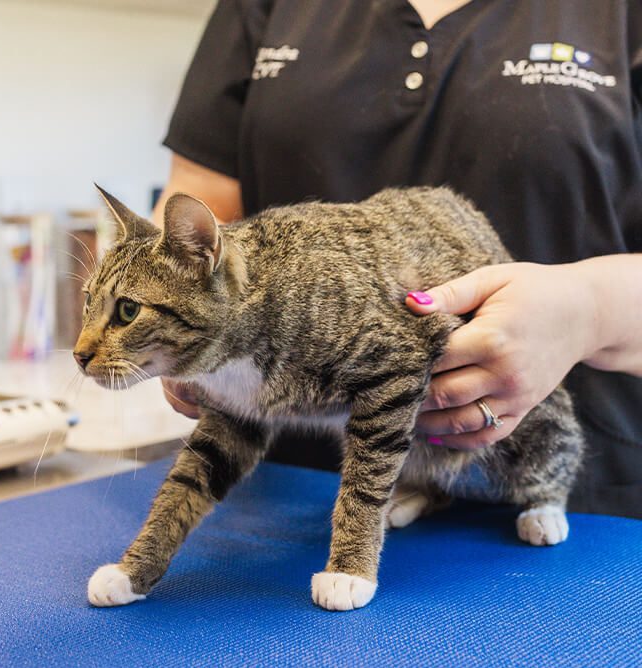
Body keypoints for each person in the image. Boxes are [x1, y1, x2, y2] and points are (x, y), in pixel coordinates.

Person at [152, 0, 642, 517]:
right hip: (294, 496)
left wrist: (588, 310)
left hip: (578, 500)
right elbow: (197, 202)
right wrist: (173, 309)